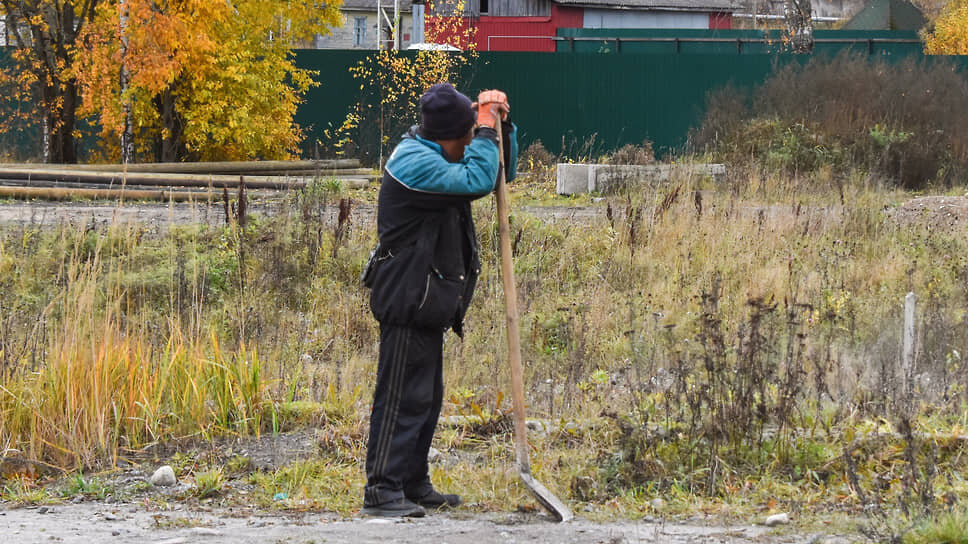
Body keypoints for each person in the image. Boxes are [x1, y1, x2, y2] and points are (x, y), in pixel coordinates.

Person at [360, 83, 517, 517]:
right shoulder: (415, 163)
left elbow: (500, 173)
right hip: (407, 296)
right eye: (467, 134)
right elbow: (479, 179)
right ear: (449, 135)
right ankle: (382, 491)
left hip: (429, 297)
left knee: (425, 399)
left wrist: (501, 126)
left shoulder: (439, 153)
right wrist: (484, 132)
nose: (471, 141)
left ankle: (412, 483)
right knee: (400, 398)